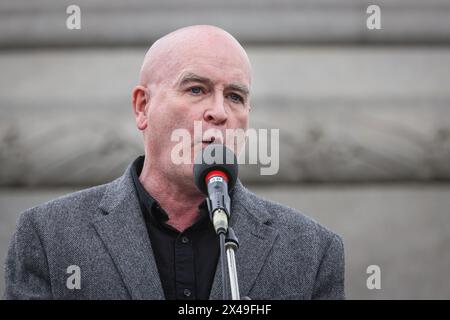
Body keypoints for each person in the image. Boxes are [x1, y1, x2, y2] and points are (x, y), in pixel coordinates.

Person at [4, 25, 345, 300]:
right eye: (196, 89)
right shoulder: (49, 235)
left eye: (235, 96)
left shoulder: (312, 251)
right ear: (142, 107)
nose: (220, 112)